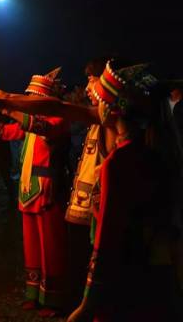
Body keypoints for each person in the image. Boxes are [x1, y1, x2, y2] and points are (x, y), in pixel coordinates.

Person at [68, 61, 182, 321]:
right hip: (159, 274)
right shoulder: (155, 148)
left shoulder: (119, 162)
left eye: (99, 100)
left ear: (113, 110)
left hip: (126, 278)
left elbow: (106, 243)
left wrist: (87, 304)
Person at [0, 68, 70, 316]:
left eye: (32, 97)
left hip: (48, 189)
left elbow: (39, 127)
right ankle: (33, 293)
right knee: (32, 244)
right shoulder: (30, 121)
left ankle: (52, 299)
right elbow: (4, 132)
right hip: (28, 188)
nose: (28, 101)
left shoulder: (57, 120)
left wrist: (9, 109)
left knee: (50, 245)